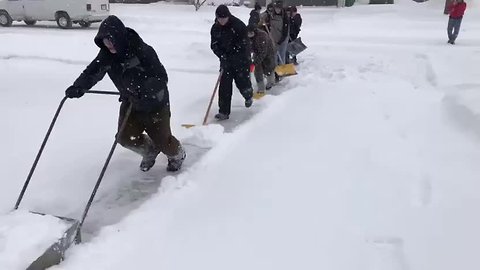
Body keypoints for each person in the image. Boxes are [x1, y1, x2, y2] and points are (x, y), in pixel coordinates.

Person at [65, 15, 186, 172]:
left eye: (110, 40)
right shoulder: (107, 55)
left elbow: (161, 78)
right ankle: (150, 150)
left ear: (119, 37)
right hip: (131, 102)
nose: (109, 45)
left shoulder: (143, 51)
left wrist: (145, 89)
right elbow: (92, 72)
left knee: (164, 142)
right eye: (105, 42)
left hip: (155, 103)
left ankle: (177, 154)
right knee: (124, 137)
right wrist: (78, 86)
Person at [210, 5, 254, 121]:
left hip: (241, 60)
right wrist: (222, 55)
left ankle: (248, 95)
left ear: (228, 16)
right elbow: (214, 45)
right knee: (224, 86)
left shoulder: (238, 26)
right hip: (226, 62)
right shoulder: (215, 28)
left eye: (224, 18)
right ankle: (224, 111)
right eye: (220, 19)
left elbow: (244, 44)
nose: (222, 21)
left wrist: (233, 53)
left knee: (242, 82)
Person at [247, 25, 276, 93]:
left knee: (269, 68)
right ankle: (261, 88)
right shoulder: (247, 36)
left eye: (251, 33)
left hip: (268, 52)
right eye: (248, 34)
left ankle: (270, 82)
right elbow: (247, 48)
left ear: (254, 32)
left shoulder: (262, 36)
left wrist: (254, 63)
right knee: (257, 71)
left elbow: (263, 52)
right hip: (257, 53)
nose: (249, 35)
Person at [269, 1, 289, 66]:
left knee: (281, 54)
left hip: (282, 39)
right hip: (273, 38)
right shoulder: (272, 16)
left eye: (279, 9)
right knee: (274, 55)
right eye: (276, 9)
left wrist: (280, 41)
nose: (277, 10)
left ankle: (282, 67)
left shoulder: (285, 18)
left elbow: (285, 32)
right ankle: (275, 69)